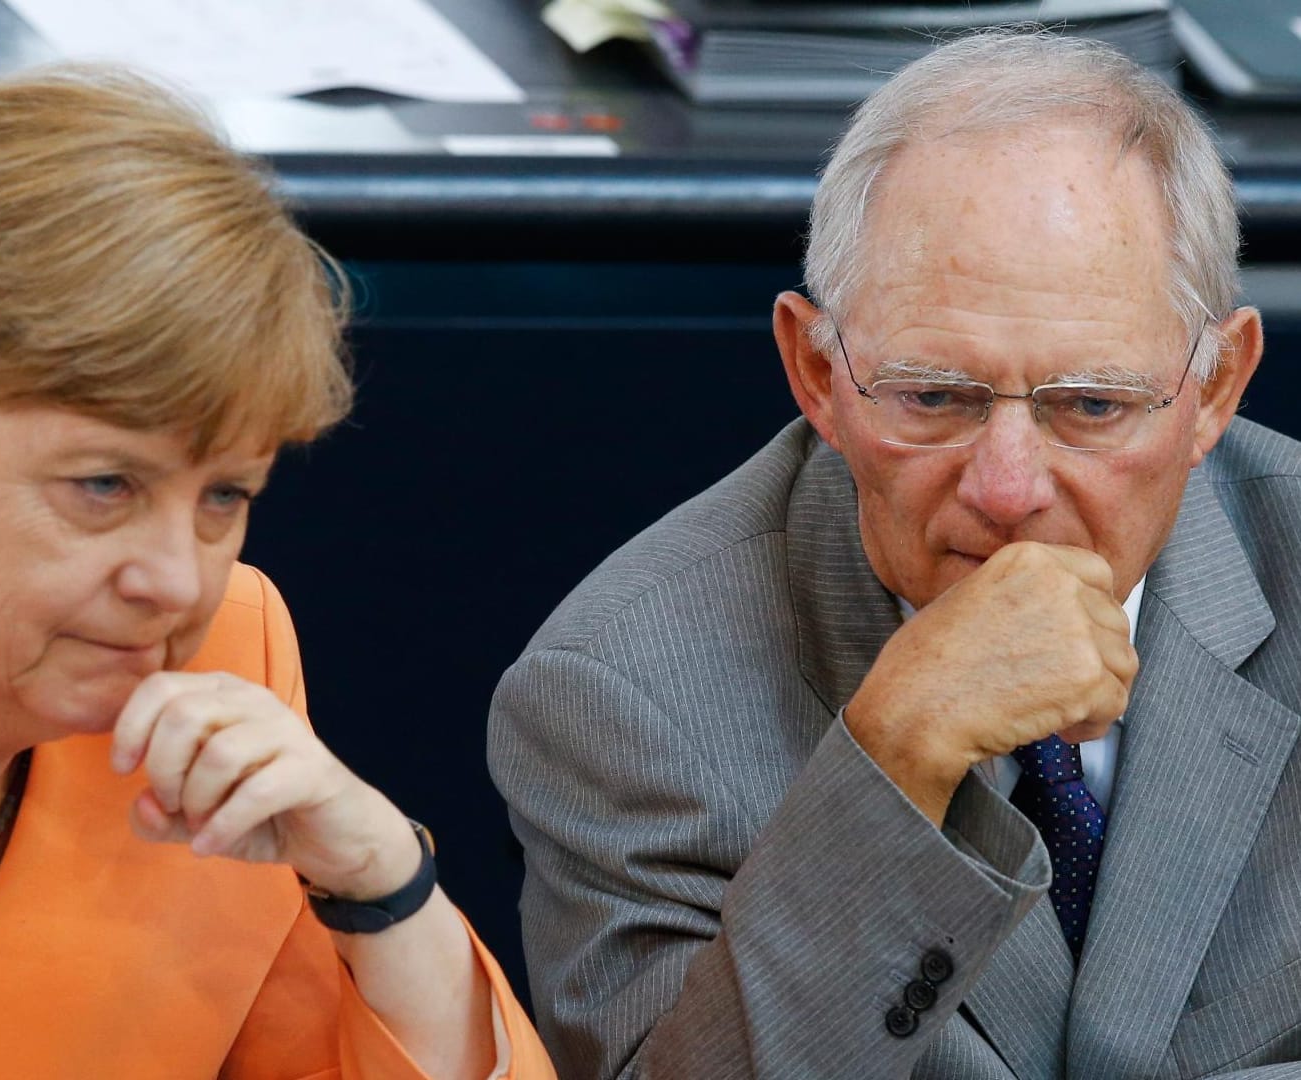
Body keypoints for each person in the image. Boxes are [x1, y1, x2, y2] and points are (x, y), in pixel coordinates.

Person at [0, 65, 555, 1080]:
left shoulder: (225, 664)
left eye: (224, 496)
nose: (178, 583)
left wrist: (381, 884)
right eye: (104, 485)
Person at [489, 29, 1300, 1079]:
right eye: (934, 397)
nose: (1008, 487)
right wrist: (892, 760)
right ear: (817, 372)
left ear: (1218, 390)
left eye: (1092, 405)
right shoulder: (626, 697)